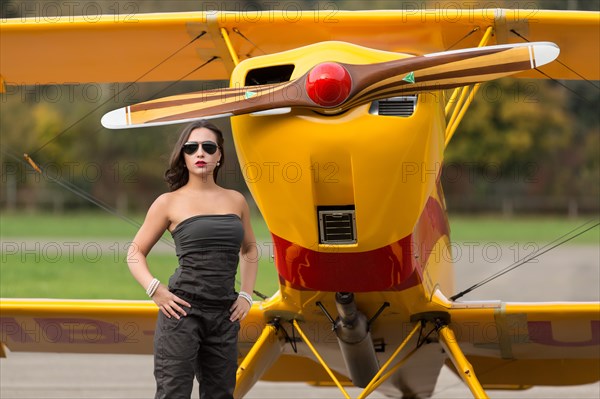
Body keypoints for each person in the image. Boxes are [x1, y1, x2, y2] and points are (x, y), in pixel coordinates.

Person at [127, 120, 258, 399]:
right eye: (192, 147)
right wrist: (155, 290)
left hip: (225, 315)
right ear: (183, 155)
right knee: (174, 393)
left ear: (220, 155)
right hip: (182, 313)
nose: (201, 153)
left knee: (221, 394)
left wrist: (246, 294)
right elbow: (134, 253)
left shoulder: (236, 200)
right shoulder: (168, 202)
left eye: (209, 147)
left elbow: (250, 249)